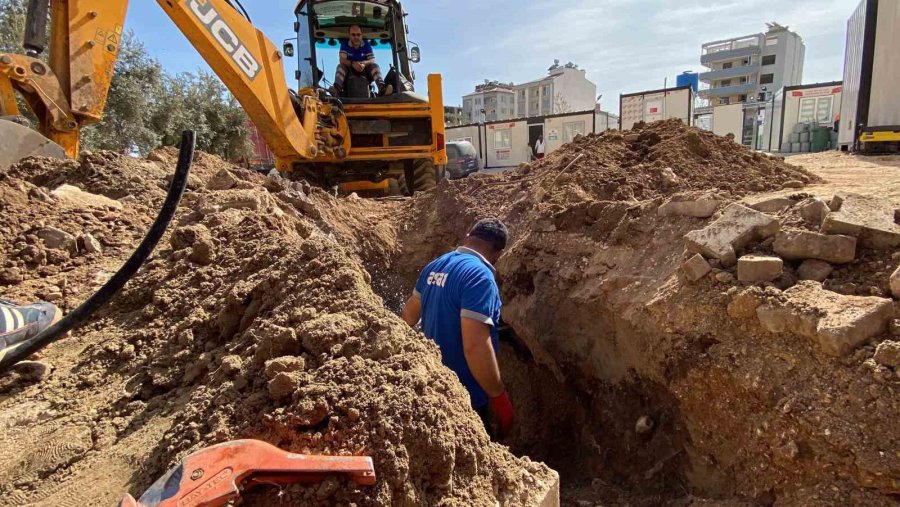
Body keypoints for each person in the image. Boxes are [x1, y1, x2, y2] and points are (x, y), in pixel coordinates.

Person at [401, 219, 514, 437]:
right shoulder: (480, 277)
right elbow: (475, 346)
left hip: (433, 382)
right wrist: (498, 396)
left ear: (467, 236)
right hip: (464, 398)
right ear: (498, 254)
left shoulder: (435, 266)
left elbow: (408, 316)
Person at [333, 25, 393, 97]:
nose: (356, 37)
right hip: (349, 72)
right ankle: (336, 90)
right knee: (340, 67)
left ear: (361, 35)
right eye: (353, 35)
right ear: (349, 36)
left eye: (358, 34)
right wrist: (353, 64)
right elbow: (342, 60)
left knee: (375, 66)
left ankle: (382, 88)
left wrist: (364, 63)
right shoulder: (345, 44)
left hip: (365, 72)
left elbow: (372, 59)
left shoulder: (366, 45)